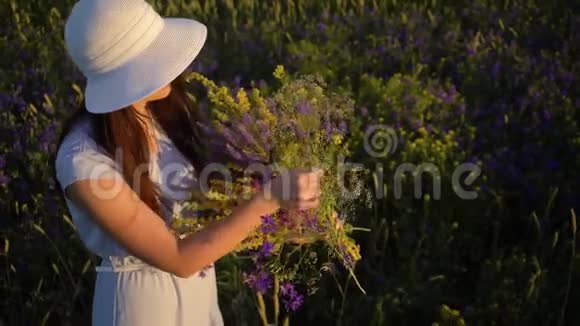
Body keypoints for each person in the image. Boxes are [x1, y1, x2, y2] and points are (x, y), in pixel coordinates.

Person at [54, 0, 323, 325]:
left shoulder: (157, 114)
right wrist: (269, 199)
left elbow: (205, 210)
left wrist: (280, 215)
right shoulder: (84, 163)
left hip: (197, 295)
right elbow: (179, 257)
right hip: (142, 306)